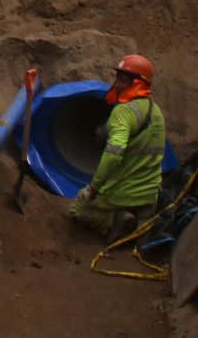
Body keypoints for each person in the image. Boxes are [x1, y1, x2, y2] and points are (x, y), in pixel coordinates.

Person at [67, 54, 167, 241]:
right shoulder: (156, 111)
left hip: (122, 191)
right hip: (150, 192)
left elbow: (113, 156)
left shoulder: (123, 112)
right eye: (117, 78)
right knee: (143, 228)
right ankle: (143, 220)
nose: (117, 84)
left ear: (138, 83)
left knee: (76, 210)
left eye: (123, 80)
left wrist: (92, 188)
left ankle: (115, 220)